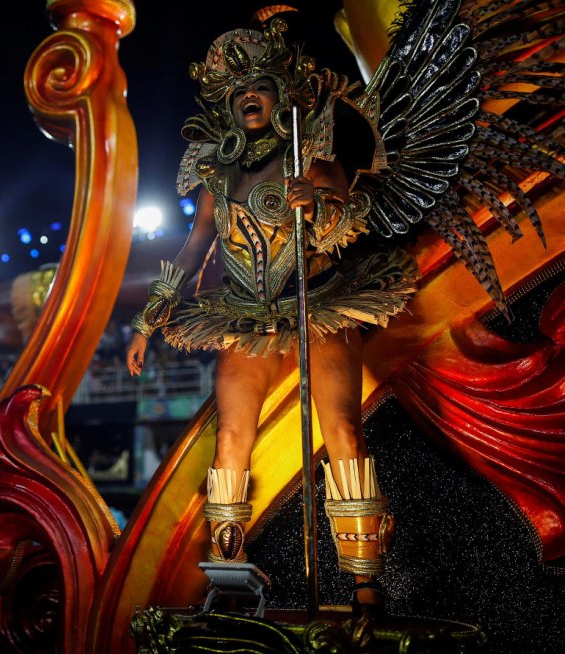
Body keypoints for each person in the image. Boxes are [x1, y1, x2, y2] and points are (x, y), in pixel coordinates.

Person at [125, 18, 421, 616]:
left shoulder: (312, 155)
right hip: (247, 316)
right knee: (232, 437)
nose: (248, 99)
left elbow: (345, 215)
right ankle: (227, 572)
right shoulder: (216, 174)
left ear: (279, 94)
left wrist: (317, 203)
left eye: (258, 87)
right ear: (226, 106)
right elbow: (194, 248)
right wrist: (149, 318)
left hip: (319, 307)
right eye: (237, 94)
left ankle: (365, 583)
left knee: (342, 433)